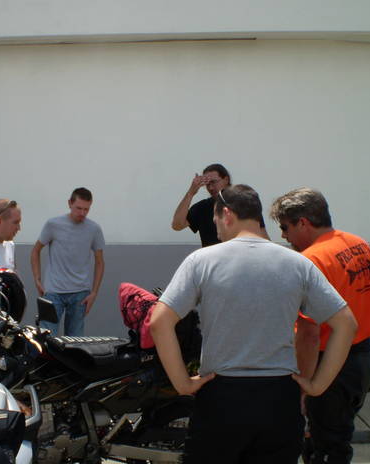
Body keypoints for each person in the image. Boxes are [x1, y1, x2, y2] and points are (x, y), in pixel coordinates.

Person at [150, 184, 358, 464]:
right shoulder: (297, 263)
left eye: (215, 220)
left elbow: (159, 322)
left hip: (221, 396)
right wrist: (317, 386)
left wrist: (183, 383)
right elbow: (346, 324)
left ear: (226, 214)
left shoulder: (202, 261)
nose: (216, 230)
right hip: (279, 398)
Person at [270, 187, 370, 464]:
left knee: (324, 448)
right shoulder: (357, 243)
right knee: (336, 441)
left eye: (285, 227)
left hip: (328, 367)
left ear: (303, 222)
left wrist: (305, 386)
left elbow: (309, 333)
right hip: (360, 361)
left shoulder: (311, 260)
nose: (284, 236)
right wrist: (358, 337)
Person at [30, 187, 105, 336]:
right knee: (47, 338)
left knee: (75, 342)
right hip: (53, 292)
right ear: (69, 203)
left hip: (80, 294)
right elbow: (35, 251)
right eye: (78, 208)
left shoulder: (94, 229)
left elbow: (100, 262)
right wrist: (37, 279)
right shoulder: (53, 224)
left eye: (86, 209)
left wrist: (94, 292)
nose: (82, 213)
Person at [172, 163, 268, 245]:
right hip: (212, 259)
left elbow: (262, 235)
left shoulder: (245, 203)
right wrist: (190, 193)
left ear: (226, 180)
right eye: (207, 184)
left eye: (214, 182)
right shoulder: (202, 207)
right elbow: (177, 225)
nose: (211, 188)